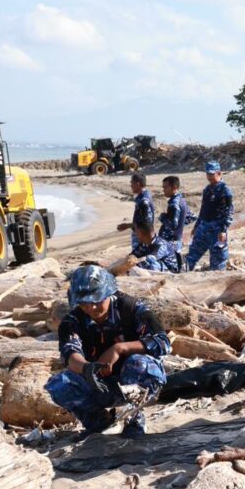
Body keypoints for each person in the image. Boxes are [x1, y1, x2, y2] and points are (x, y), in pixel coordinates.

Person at [44, 266, 171, 440]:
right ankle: (98, 422)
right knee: (59, 384)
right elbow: (69, 354)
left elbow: (163, 343)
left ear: (108, 293)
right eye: (85, 303)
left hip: (134, 378)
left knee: (140, 365)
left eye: (97, 300)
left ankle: (134, 419)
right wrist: (87, 368)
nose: (92, 307)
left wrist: (120, 348)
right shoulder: (72, 321)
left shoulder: (131, 308)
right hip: (99, 383)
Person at [186, 161, 234, 272]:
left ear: (219, 173)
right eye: (208, 174)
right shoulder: (207, 190)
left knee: (218, 261)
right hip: (204, 227)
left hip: (217, 229)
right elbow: (203, 209)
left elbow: (228, 211)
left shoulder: (224, 190)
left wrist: (223, 230)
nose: (209, 177)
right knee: (191, 256)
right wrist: (196, 226)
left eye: (212, 174)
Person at [117, 173, 155, 250]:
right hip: (140, 235)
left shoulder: (144, 201)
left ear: (137, 184)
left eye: (131, 183)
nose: (131, 185)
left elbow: (146, 223)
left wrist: (127, 225)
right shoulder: (142, 197)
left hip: (143, 238)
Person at [160, 175, 191, 253]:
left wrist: (163, 217)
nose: (163, 190)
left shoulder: (174, 204)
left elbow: (173, 225)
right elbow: (191, 216)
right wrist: (181, 224)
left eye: (166, 187)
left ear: (174, 187)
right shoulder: (181, 200)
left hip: (170, 241)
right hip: (176, 240)